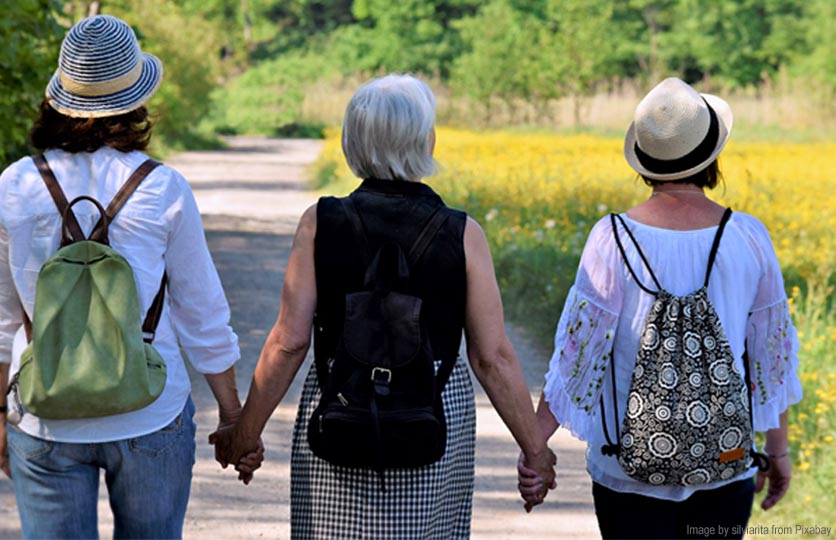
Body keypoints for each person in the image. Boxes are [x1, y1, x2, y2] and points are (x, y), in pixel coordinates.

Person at [212, 74, 557, 539]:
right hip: (433, 406)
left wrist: (246, 432)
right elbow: (491, 357)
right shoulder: (463, 233)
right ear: (427, 140)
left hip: (341, 399)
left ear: (352, 142)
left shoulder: (320, 223)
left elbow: (288, 343)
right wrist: (535, 452)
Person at [0, 15, 260, 539]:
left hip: (45, 417)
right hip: (149, 411)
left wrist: (2, 416)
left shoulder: (16, 185)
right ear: (135, 100)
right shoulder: (163, 188)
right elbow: (202, 316)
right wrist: (232, 416)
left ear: (58, 99)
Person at [518, 78, 803, 538]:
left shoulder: (611, 238)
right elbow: (772, 358)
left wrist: (535, 448)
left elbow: (577, 359)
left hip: (625, 469)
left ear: (645, 162)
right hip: (725, 462)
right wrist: (779, 449)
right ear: (712, 157)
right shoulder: (748, 237)